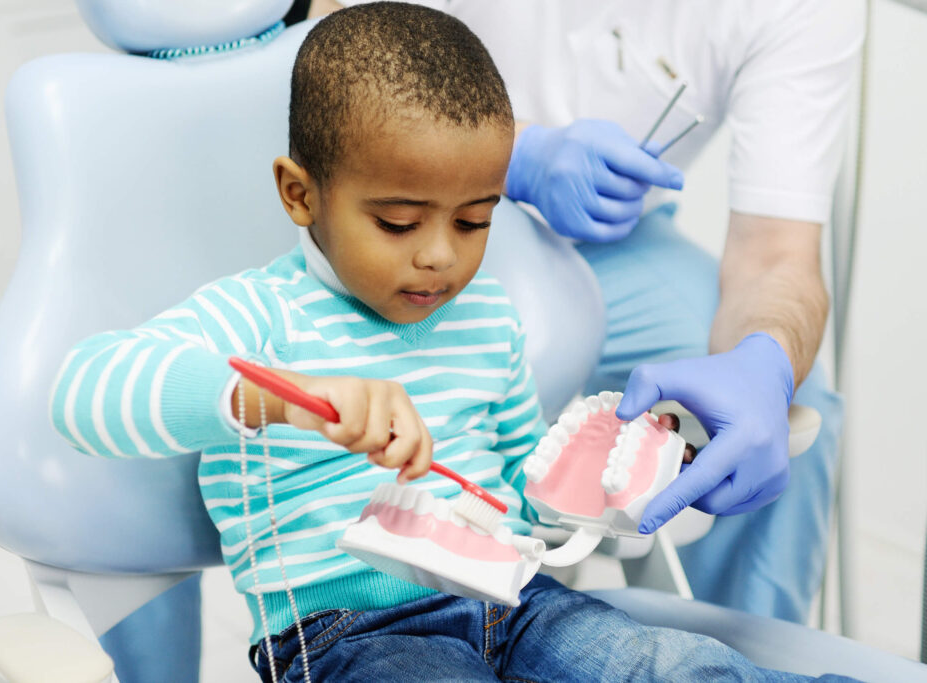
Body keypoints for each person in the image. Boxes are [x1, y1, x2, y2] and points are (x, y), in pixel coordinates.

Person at [51, 3, 858, 680]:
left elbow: (512, 491)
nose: (440, 254)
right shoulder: (262, 317)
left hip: (516, 601)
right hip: (346, 633)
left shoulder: (488, 320)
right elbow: (86, 392)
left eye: (475, 220)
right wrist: (279, 396)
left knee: (674, 665)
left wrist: (603, 481)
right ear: (301, 194)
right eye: (399, 222)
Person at [318, 0, 864, 624]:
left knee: (791, 407)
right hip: (419, 206)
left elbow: (777, 252)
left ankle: (738, 649)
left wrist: (764, 363)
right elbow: (337, 36)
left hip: (613, 254)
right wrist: (508, 154)